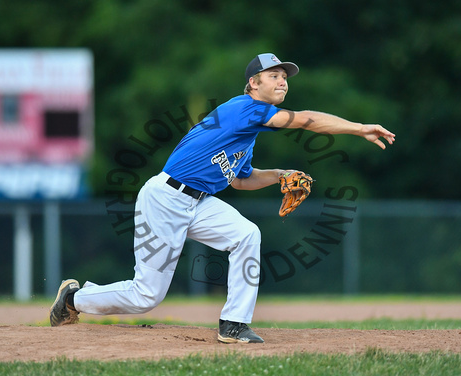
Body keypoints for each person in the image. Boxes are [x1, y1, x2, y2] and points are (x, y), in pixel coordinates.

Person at [49, 53, 395, 343]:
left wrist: (279, 176)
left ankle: (233, 324)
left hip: (198, 202)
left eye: (284, 76)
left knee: (247, 234)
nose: (282, 81)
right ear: (253, 84)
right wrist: (358, 127)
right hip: (165, 199)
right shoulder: (246, 108)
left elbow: (242, 180)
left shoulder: (248, 133)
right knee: (147, 296)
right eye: (273, 75)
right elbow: (305, 120)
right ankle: (74, 298)